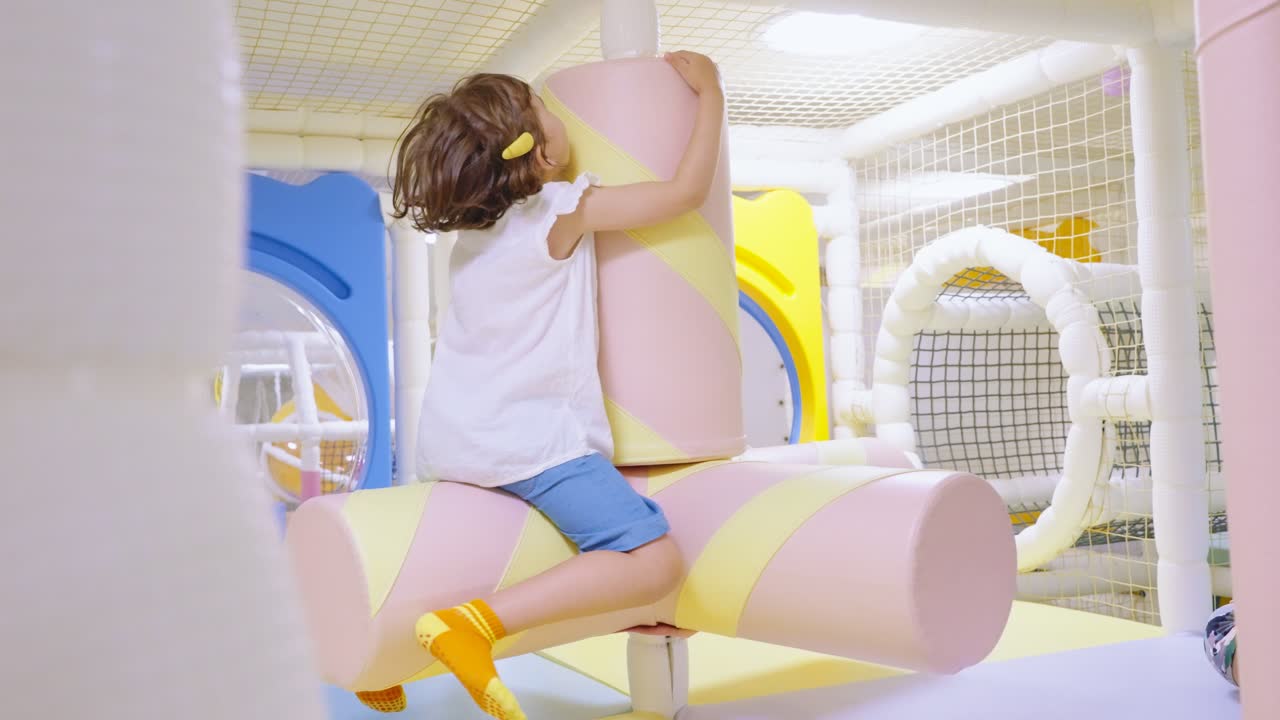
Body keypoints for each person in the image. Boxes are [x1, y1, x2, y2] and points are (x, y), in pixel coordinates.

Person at [361, 52, 725, 719]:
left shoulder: (471, 240)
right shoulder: (561, 211)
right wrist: (710, 95)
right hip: (532, 441)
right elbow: (682, 195)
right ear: (542, 154)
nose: (563, 118)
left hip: (451, 440)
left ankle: (378, 655)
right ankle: (476, 628)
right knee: (653, 561)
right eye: (547, 109)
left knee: (457, 561)